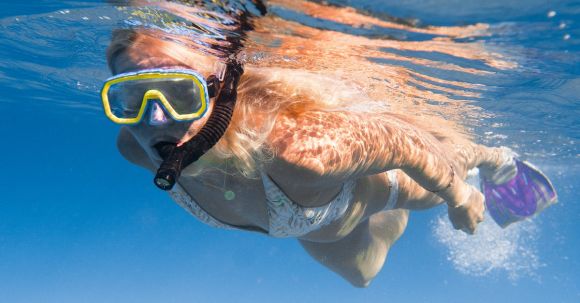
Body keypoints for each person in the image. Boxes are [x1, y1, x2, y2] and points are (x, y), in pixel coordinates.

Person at [101, 1, 556, 287]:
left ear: (223, 89)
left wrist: (459, 196)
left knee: (448, 163)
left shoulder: (300, 152)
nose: (155, 119)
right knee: (362, 276)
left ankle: (496, 160)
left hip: (382, 182)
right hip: (315, 223)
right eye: (130, 97)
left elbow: (410, 145)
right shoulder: (134, 145)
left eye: (181, 93)